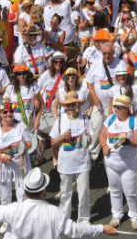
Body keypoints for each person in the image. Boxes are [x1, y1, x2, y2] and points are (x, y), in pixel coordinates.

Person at [0, 168, 118, 238]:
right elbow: (76, 231)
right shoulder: (55, 213)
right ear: (43, 191)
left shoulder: (14, 209)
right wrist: (102, 228)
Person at [99, 94, 137, 230]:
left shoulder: (134, 121)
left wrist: (129, 142)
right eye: (115, 107)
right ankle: (117, 214)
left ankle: (135, 216)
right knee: (114, 190)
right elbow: (102, 135)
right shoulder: (111, 119)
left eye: (119, 107)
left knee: (130, 191)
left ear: (127, 109)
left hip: (129, 163)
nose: (116, 109)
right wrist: (104, 146)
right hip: (111, 162)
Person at [0, 101, 33, 234]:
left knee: (22, 194)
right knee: (5, 195)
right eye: (5, 112)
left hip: (20, 165)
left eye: (11, 111)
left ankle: (22, 221)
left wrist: (22, 148)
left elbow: (30, 142)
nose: (8, 114)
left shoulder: (21, 125)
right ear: (0, 113)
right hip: (3, 167)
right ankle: (6, 221)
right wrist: (1, 156)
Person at [49, 91, 92, 224]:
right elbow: (52, 142)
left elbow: (90, 139)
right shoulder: (60, 120)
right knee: (65, 191)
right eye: (69, 105)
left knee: (83, 191)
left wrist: (87, 137)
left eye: (74, 104)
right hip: (65, 162)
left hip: (82, 161)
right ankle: (64, 218)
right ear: (65, 106)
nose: (71, 107)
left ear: (78, 105)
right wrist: (62, 137)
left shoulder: (85, 119)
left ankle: (84, 219)